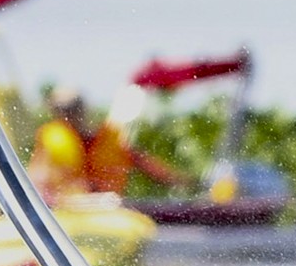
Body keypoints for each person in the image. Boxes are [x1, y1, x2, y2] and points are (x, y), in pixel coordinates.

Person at [28, 86, 189, 202]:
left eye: (74, 107)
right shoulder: (50, 139)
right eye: (63, 109)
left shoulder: (110, 138)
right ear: (55, 112)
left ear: (84, 108)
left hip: (107, 210)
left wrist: (183, 183)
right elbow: (37, 177)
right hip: (67, 210)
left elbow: (146, 164)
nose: (69, 114)